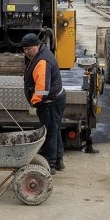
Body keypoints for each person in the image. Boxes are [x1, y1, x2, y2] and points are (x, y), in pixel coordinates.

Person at [22, 33, 66, 174]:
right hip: (54, 99)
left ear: (36, 46)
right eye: (24, 49)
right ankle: (59, 161)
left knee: (49, 132)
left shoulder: (42, 62)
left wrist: (34, 103)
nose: (26, 52)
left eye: (28, 49)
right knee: (55, 129)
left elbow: (41, 90)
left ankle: (50, 164)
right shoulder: (41, 54)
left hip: (50, 102)